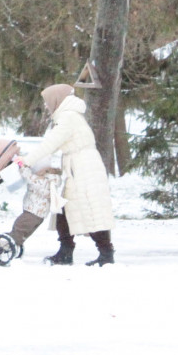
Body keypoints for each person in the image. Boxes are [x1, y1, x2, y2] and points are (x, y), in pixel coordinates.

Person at [18, 83, 116, 266]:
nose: (46, 106)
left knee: (90, 210)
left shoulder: (68, 117)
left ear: (56, 100)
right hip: (78, 167)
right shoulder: (67, 116)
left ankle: (105, 253)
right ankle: (66, 251)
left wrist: (26, 161)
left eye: (47, 102)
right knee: (64, 210)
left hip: (84, 170)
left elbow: (51, 144)